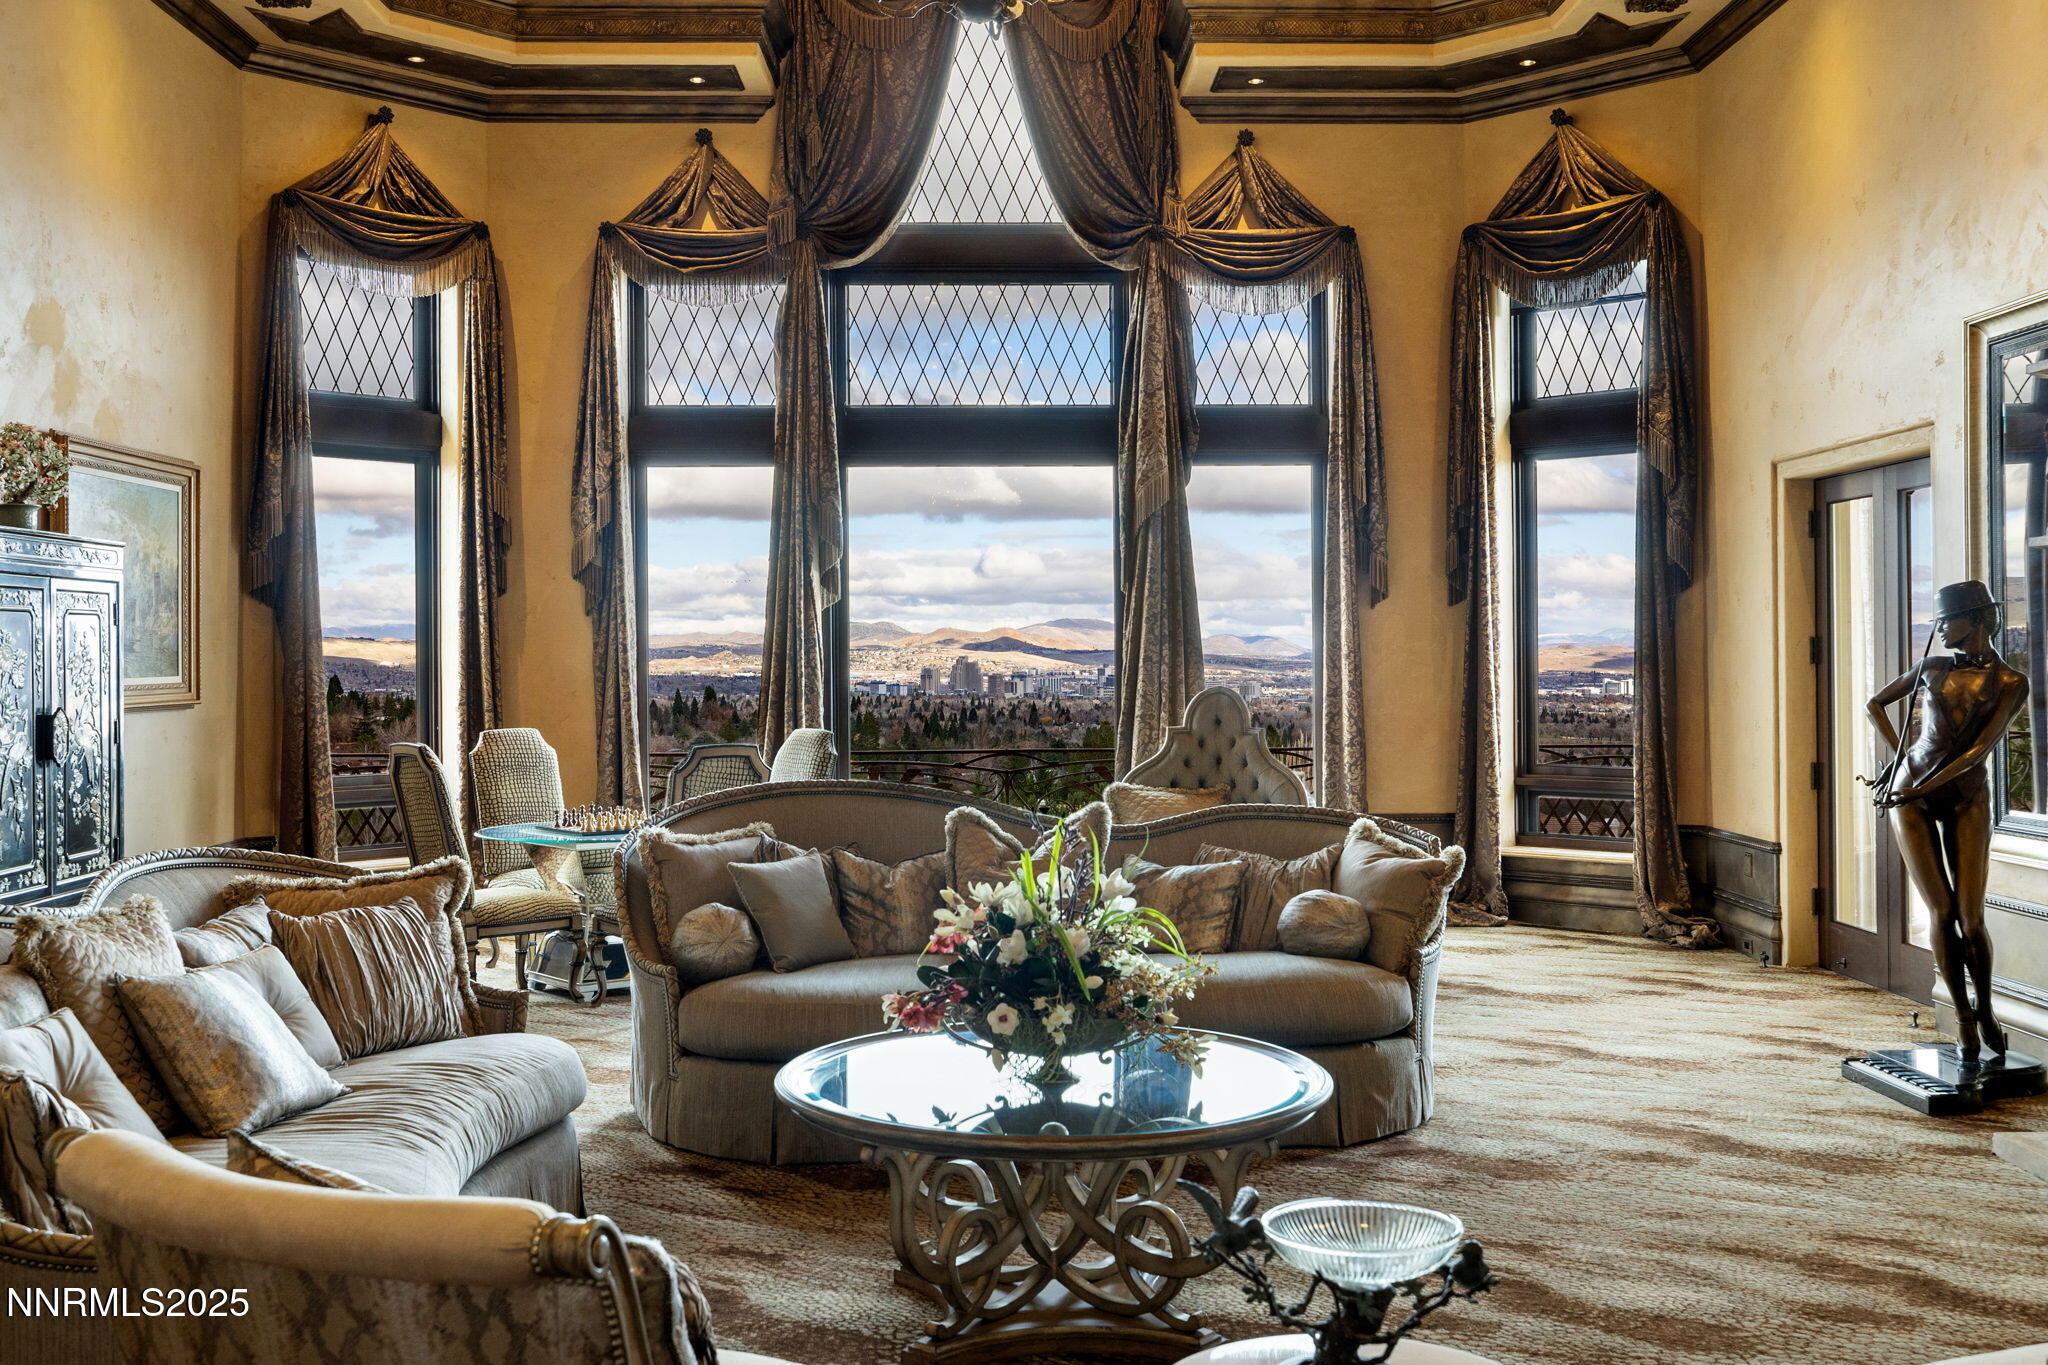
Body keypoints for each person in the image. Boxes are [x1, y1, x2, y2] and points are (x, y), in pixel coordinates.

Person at [1865, 579, 2029, 1066]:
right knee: (1940, 913)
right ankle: (1961, 1018)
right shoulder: (1931, 668)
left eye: (1945, 619)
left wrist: (1924, 782)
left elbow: (1982, 749)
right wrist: (1902, 763)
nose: (1937, 628)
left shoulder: (2010, 682)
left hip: (1964, 797)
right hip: (1911, 794)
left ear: (1976, 620)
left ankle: (1985, 1008)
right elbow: (1876, 704)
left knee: (1971, 918)